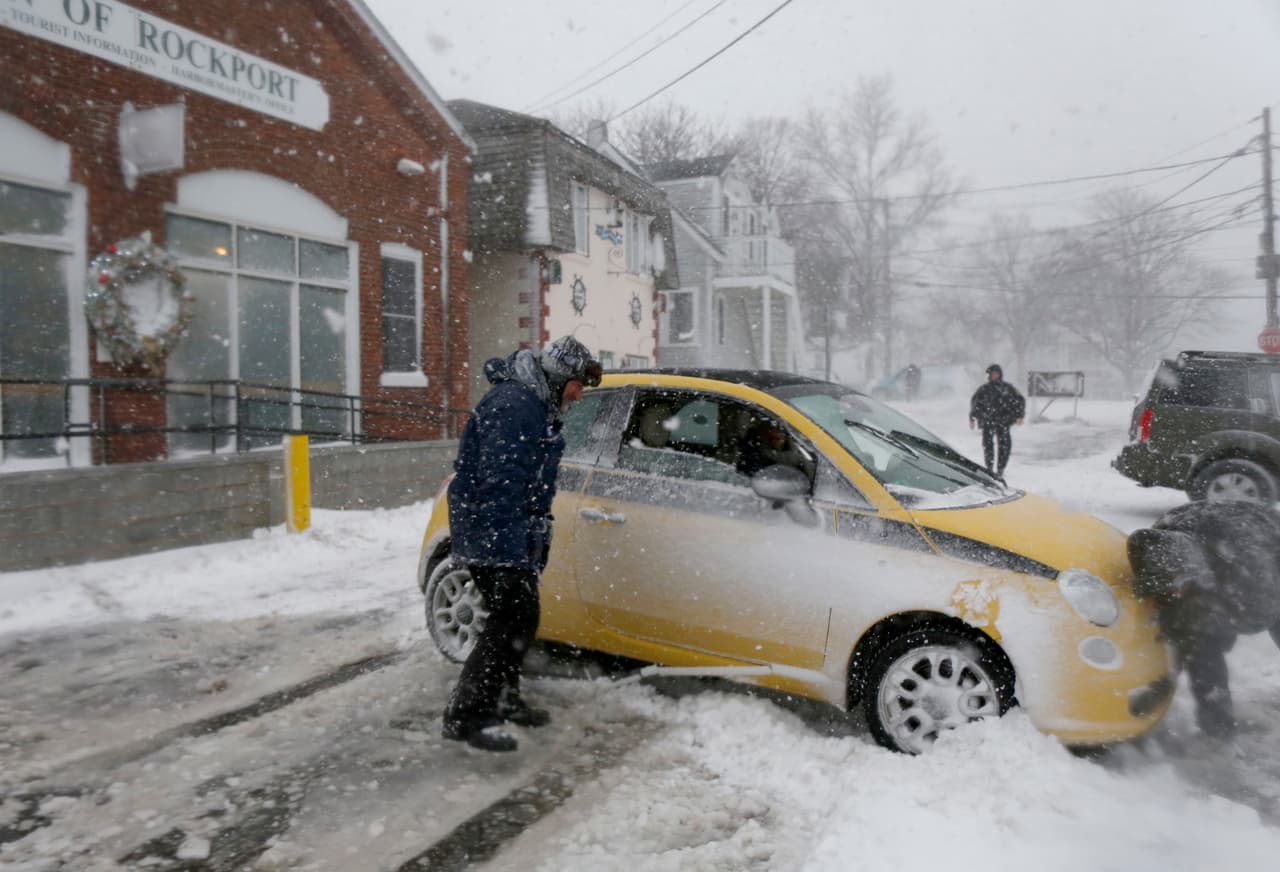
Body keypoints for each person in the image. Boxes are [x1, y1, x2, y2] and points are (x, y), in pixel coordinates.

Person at [441, 335, 602, 752]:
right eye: (577, 385)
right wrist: (509, 547)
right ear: (560, 374)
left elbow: (530, 484)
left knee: (517, 619)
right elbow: (502, 483)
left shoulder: (537, 406)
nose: (579, 395)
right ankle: (466, 715)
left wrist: (533, 537)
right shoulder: (515, 406)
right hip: (492, 531)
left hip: (510, 531)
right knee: (512, 619)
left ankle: (504, 698)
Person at [1127, 500, 1280, 740]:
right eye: (1167, 590)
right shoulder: (1159, 538)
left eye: (1178, 587)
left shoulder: (1253, 580)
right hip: (1219, 542)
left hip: (1264, 546)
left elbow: (1262, 616)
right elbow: (1176, 626)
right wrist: (1162, 682)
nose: (1174, 594)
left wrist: (1216, 624)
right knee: (1197, 638)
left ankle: (1218, 726)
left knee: (1207, 633)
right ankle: (1218, 728)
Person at [968, 363, 1025, 479]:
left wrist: (1019, 415)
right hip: (988, 421)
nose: (994, 376)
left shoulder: (1007, 388)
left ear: (1000, 374)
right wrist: (972, 417)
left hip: (1004, 421)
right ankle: (989, 467)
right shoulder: (984, 389)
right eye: (992, 374)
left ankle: (1000, 469)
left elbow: (1019, 400)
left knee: (1005, 445)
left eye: (996, 373)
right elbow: (976, 403)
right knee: (988, 444)